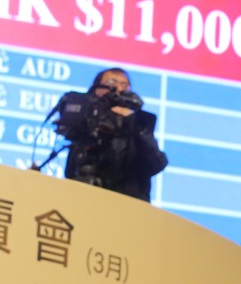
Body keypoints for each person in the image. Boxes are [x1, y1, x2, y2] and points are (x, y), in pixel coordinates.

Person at [63, 67, 168, 202]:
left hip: (127, 207)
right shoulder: (85, 122)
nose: (118, 89)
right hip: (84, 201)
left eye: (124, 85)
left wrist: (134, 125)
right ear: (96, 89)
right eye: (111, 83)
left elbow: (157, 164)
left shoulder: (138, 125)